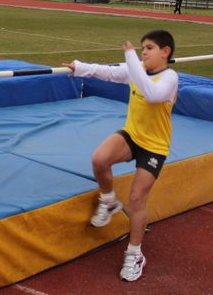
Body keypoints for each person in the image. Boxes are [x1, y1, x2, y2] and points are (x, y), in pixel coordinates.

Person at [63, 30, 178, 282]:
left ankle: (135, 253)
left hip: (154, 147)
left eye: (149, 48)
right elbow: (109, 73)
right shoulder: (137, 70)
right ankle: (109, 200)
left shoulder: (170, 77)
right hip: (132, 136)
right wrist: (80, 67)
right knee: (99, 159)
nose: (144, 52)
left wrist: (131, 60)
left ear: (165, 52)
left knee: (137, 199)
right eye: (142, 48)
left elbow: (151, 94)